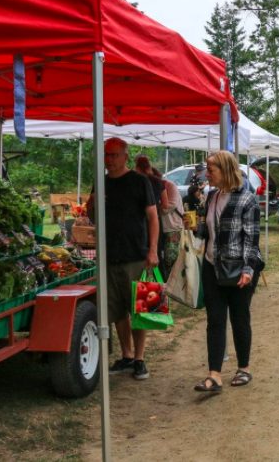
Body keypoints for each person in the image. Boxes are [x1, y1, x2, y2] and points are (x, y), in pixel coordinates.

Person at [87, 138, 158, 380]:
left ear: (125, 157)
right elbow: (92, 216)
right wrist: (93, 202)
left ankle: (140, 358)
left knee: (140, 309)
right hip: (108, 256)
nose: (109, 159)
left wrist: (153, 250)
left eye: (114, 155)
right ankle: (127, 355)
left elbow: (153, 217)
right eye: (106, 155)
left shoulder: (140, 181)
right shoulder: (101, 181)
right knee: (116, 310)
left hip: (136, 255)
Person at [194, 151, 264, 394]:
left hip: (239, 269)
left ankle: (243, 368)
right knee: (215, 320)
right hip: (212, 265)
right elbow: (209, 230)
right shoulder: (212, 196)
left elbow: (252, 239)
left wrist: (247, 269)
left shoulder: (247, 199)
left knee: (239, 317)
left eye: (211, 169)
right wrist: (195, 226)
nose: (207, 174)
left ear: (225, 170)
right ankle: (214, 376)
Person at [159, 168, 184, 280]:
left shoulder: (170, 186)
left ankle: (173, 283)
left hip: (173, 227)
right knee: (165, 258)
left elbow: (169, 206)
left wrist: (154, 208)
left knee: (171, 258)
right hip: (163, 228)